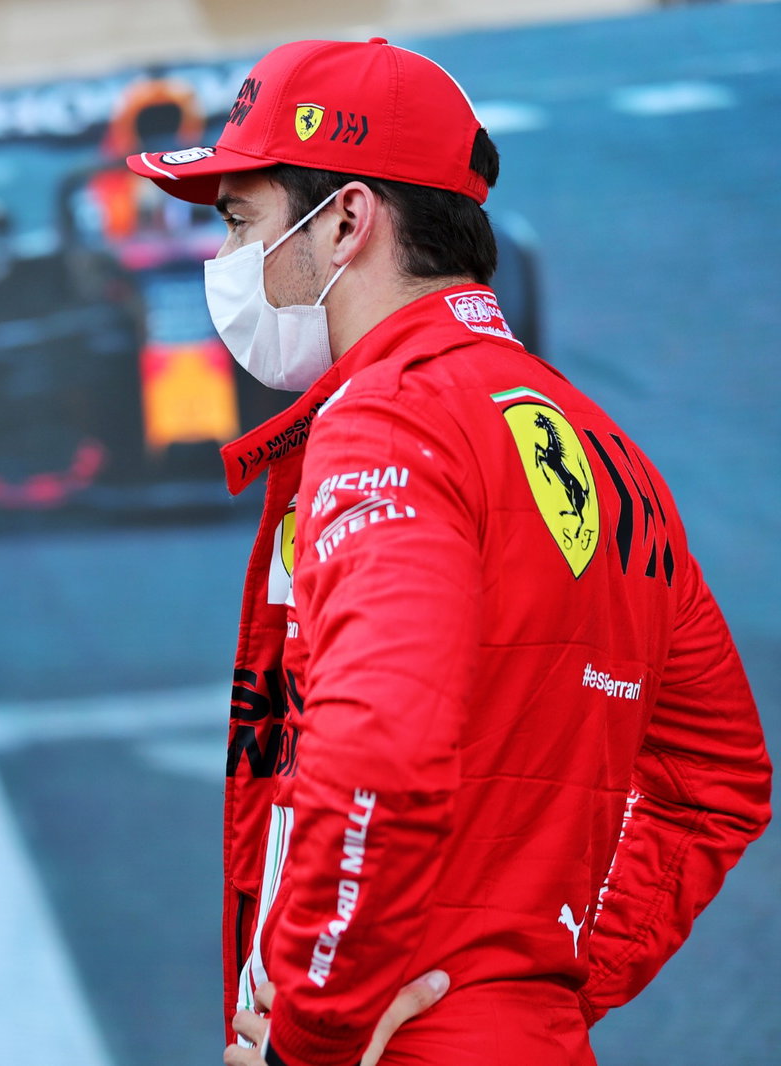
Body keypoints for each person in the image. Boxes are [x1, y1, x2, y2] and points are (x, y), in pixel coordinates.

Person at [126, 38, 772, 1066]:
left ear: (344, 218)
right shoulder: (609, 451)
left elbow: (379, 742)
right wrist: (538, 986)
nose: (225, 259)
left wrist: (318, 1032)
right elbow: (718, 777)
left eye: (238, 220)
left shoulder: (386, 420)